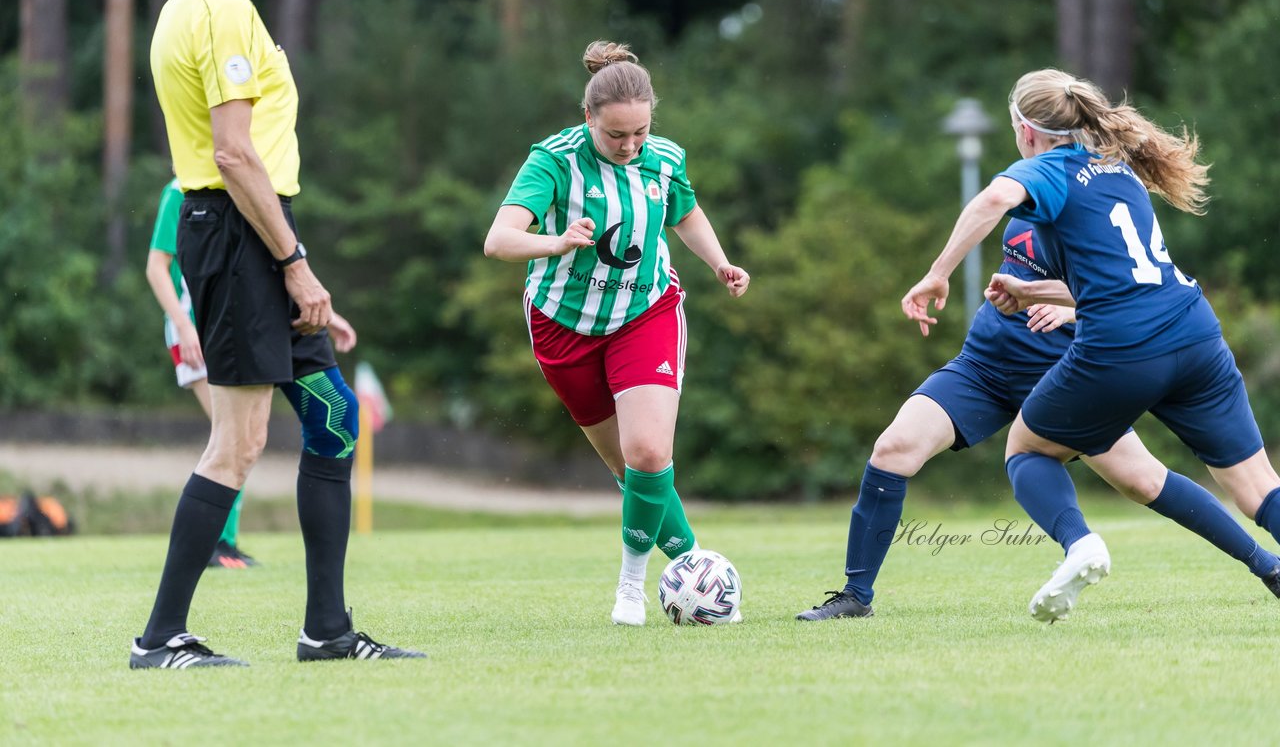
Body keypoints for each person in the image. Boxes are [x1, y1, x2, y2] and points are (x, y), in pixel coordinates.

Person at [131, 0, 422, 668]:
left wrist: (298, 269)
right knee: (239, 442)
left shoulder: (179, 6)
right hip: (237, 235)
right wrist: (294, 266)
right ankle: (159, 638)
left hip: (255, 234)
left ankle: (327, 629)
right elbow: (232, 153)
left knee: (332, 419)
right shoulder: (222, 10)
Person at [902, 67, 1280, 623]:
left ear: (1025, 130)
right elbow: (1119, 272)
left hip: (1125, 347)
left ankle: (1081, 545)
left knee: (1028, 450)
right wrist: (1030, 290)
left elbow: (991, 201)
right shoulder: (1116, 165)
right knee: (1256, 484)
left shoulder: (1048, 169)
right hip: (1196, 331)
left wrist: (937, 274)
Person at [797, 218, 1280, 621]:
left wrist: (1071, 310)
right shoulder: (1029, 191)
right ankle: (856, 596)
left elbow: (1142, 286)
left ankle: (1267, 566)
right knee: (893, 449)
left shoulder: (1092, 208)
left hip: (1063, 375)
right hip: (983, 366)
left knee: (1143, 480)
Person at [484, 41, 750, 626]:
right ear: (588, 120)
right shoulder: (553, 162)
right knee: (626, 467)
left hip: (645, 313)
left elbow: (684, 213)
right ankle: (696, 572)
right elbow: (498, 241)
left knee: (649, 451)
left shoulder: (665, 157)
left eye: (640, 134)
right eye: (616, 137)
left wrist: (719, 263)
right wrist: (554, 242)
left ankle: (632, 586)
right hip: (563, 329)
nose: (630, 147)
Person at [144, 175, 361, 569]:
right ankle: (214, 545)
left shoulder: (253, 184)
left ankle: (223, 542)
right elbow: (157, 267)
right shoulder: (183, 189)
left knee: (240, 440)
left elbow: (278, 267)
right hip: (199, 330)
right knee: (232, 440)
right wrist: (183, 325)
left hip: (241, 321)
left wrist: (327, 315)